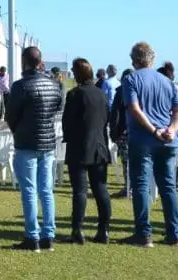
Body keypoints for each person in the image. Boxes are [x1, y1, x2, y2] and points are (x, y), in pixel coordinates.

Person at [122, 41, 178, 247]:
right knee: (168, 186)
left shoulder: (131, 79)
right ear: (152, 59)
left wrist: (153, 130)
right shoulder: (167, 82)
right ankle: (174, 234)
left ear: (133, 60)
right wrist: (173, 129)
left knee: (141, 185)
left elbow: (134, 108)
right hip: (168, 141)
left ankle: (143, 233)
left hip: (143, 138)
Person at [6, 46, 63, 252]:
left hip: (27, 142)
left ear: (24, 61)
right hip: (47, 142)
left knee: (29, 190)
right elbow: (57, 107)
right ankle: (49, 234)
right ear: (40, 61)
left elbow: (11, 115)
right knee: (46, 190)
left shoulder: (20, 86)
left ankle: (32, 236)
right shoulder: (54, 84)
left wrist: (17, 130)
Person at [62, 57, 112, 244]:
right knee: (101, 189)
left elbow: (67, 122)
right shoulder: (101, 94)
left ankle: (77, 230)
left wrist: (69, 137)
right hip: (99, 146)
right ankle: (104, 229)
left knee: (80, 191)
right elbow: (106, 118)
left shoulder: (75, 94)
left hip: (79, 148)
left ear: (78, 74)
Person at [108, 68, 134, 198]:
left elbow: (115, 115)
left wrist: (114, 133)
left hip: (124, 132)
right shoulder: (139, 91)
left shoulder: (120, 92)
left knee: (126, 162)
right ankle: (132, 187)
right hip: (138, 132)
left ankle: (128, 188)